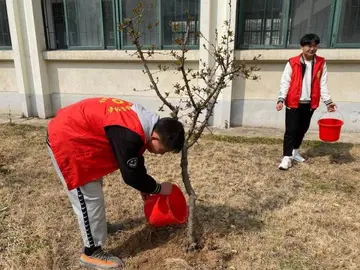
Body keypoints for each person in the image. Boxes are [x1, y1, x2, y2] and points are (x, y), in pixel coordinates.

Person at [46, 97, 185, 269]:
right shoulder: (130, 132)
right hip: (67, 139)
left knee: (94, 190)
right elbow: (130, 175)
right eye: (163, 150)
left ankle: (99, 227)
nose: (162, 154)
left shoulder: (145, 121)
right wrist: (157, 188)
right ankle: (91, 253)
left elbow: (133, 156)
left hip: (79, 132)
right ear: (155, 138)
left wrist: (142, 184)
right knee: (89, 197)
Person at [276, 33, 336, 170]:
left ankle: (295, 152)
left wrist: (328, 102)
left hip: (310, 103)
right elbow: (285, 82)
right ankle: (286, 157)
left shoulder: (321, 62)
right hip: (293, 102)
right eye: (309, 45)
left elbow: (323, 84)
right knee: (291, 130)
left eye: (315, 46)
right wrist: (281, 99)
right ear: (302, 47)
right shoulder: (292, 62)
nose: (312, 48)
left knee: (302, 129)